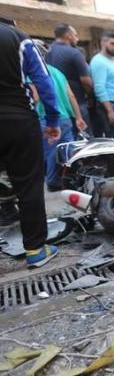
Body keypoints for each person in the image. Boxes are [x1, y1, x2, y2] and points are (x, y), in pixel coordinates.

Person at [0, 17, 60, 267]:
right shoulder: (17, 37)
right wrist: (53, 119)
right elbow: (43, 80)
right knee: (29, 185)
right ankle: (35, 249)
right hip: (17, 118)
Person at [32, 40, 87, 191]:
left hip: (47, 119)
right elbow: (71, 96)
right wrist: (78, 118)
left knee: (50, 154)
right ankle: (71, 180)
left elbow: (35, 97)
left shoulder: (32, 73)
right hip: (65, 120)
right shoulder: (57, 72)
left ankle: (52, 182)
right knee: (68, 152)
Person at [46, 23, 94, 137]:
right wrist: (90, 96)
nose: (77, 39)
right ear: (68, 36)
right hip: (77, 103)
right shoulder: (74, 53)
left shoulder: (47, 52)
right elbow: (86, 81)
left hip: (56, 105)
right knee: (85, 138)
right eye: (75, 35)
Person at [90, 31, 114, 137]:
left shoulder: (112, 61)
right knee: (111, 142)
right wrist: (110, 111)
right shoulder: (99, 61)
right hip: (107, 105)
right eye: (112, 44)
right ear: (103, 43)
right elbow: (99, 87)